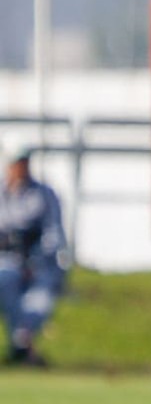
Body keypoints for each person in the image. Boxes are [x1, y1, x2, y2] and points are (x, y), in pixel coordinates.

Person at [2, 149, 67, 368]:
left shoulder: (44, 195)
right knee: (6, 283)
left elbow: (53, 234)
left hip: (37, 263)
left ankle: (22, 346)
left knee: (39, 300)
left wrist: (34, 261)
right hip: (5, 263)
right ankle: (20, 346)